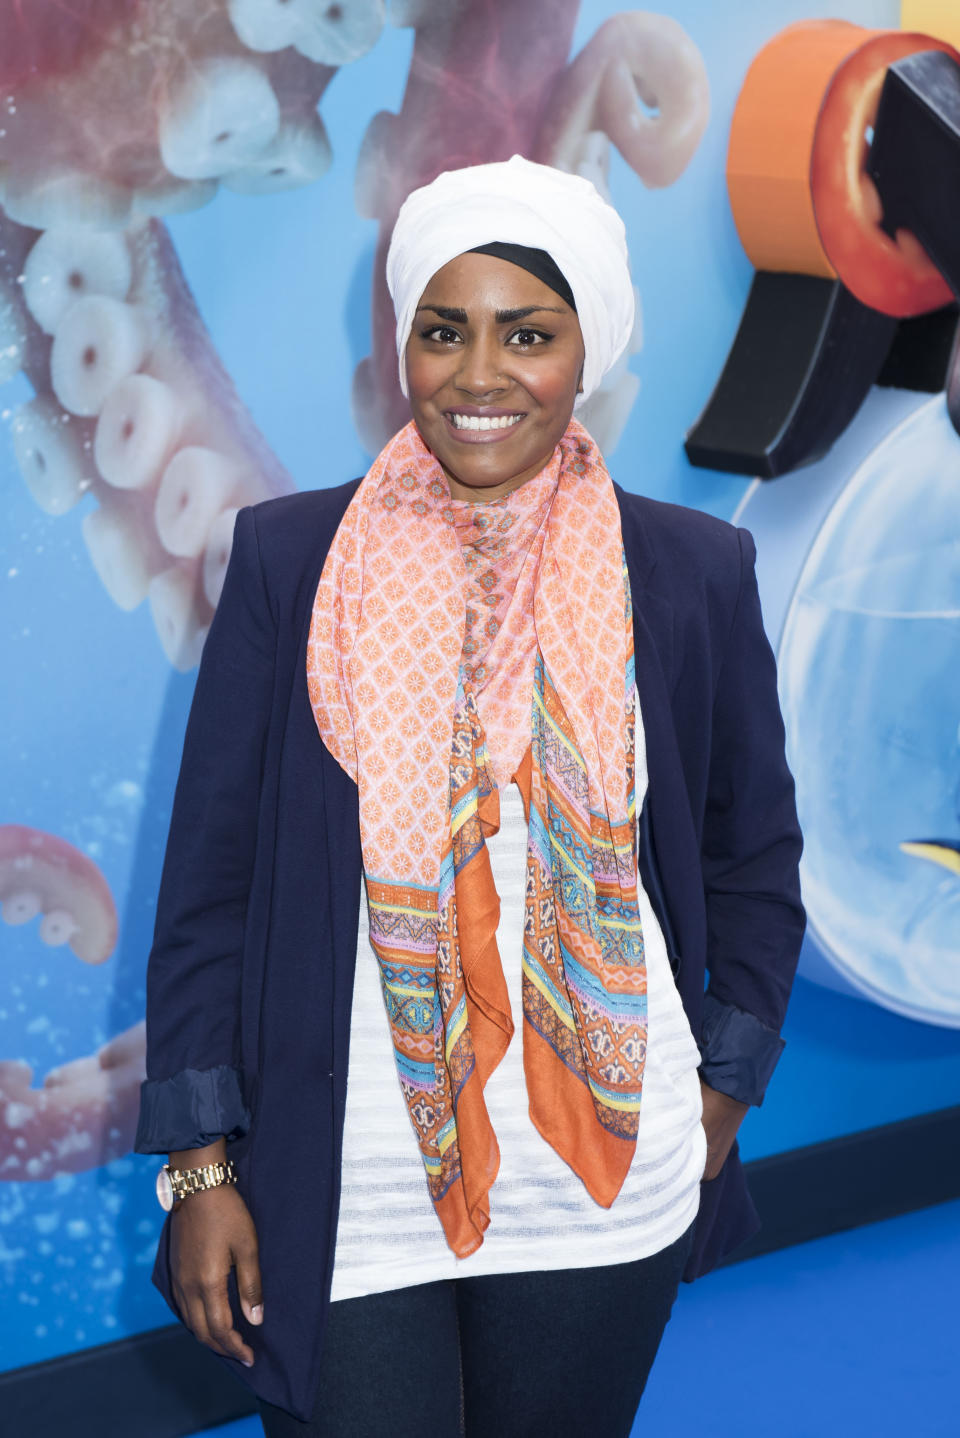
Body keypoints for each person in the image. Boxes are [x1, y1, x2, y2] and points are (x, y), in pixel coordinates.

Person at [134, 156, 805, 1437]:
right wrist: (201, 1166)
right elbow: (208, 895)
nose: (480, 375)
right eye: (445, 331)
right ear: (405, 345)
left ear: (586, 348)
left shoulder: (691, 570)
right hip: (350, 1181)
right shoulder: (290, 561)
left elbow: (754, 859)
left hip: (602, 1178)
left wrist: (723, 1085)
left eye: (529, 334)